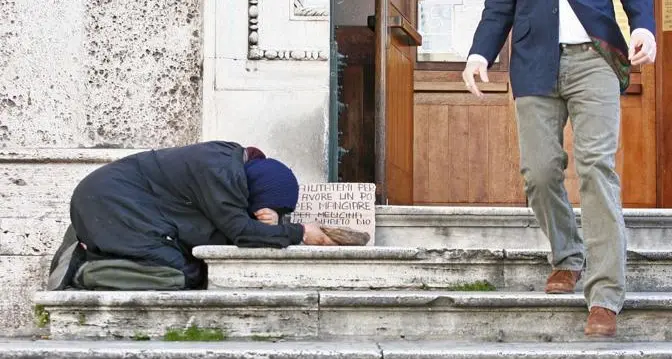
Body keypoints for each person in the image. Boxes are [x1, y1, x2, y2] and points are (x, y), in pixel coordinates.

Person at [463, 0, 656, 337]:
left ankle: (605, 297)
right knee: (538, 173)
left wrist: (643, 26)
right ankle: (568, 256)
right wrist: (480, 53)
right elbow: (498, 8)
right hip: (533, 59)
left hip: (596, 57)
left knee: (596, 168)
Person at [47, 141, 337, 291]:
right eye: (267, 209)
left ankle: (92, 250)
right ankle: (85, 271)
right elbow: (242, 233)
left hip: (115, 205)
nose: (266, 216)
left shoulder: (229, 164)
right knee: (180, 275)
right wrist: (299, 233)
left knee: (190, 267)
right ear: (257, 190)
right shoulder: (222, 175)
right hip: (112, 206)